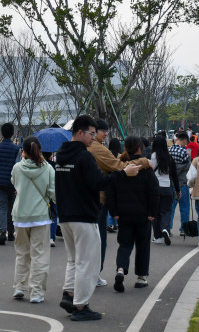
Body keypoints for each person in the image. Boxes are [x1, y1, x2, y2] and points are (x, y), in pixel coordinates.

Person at [55, 115, 139, 321]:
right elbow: (99, 182)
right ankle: (81, 305)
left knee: (74, 259)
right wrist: (123, 173)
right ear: (80, 132)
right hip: (84, 214)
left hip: (65, 215)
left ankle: (69, 294)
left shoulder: (60, 156)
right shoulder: (84, 157)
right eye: (91, 134)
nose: (94, 138)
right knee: (87, 262)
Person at [87, 118, 150, 287]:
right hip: (102, 202)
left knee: (121, 244)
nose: (104, 134)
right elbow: (118, 167)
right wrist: (143, 162)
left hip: (106, 207)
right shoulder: (97, 149)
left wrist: (114, 210)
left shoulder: (81, 149)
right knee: (99, 240)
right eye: (100, 131)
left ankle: (118, 269)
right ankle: (95, 273)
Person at [106, 136, 159, 292]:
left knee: (125, 244)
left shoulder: (121, 167)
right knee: (142, 246)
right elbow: (154, 191)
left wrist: (114, 212)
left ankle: (121, 269)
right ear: (140, 148)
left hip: (124, 214)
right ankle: (141, 277)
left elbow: (111, 190)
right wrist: (152, 212)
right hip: (143, 214)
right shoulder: (146, 168)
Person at [10, 136, 56, 303]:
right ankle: (36, 292)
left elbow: (14, 184)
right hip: (41, 217)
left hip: (20, 216)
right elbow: (53, 192)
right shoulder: (48, 169)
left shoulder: (17, 168)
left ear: (24, 150)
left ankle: (19, 287)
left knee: (21, 253)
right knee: (40, 255)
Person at [0, 122, 20, 245]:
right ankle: (11, 232)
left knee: (0, 206)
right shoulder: (16, 149)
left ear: (1, 133)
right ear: (12, 134)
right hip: (12, 183)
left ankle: (2, 231)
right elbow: (18, 167)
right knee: (11, 207)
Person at [149, 136, 179, 245]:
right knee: (166, 211)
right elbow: (174, 176)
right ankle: (165, 228)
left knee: (155, 213)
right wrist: (178, 190)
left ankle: (157, 237)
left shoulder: (151, 157)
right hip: (167, 188)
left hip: (155, 189)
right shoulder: (169, 158)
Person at [168, 132, 192, 233]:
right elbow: (188, 167)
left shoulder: (168, 151)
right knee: (185, 208)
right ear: (185, 140)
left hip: (171, 184)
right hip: (182, 183)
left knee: (170, 208)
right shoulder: (185, 152)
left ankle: (167, 228)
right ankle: (184, 229)